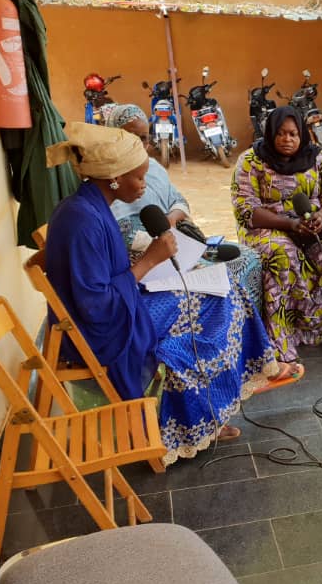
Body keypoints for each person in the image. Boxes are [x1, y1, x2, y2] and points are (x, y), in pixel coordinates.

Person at [45, 122, 295, 465]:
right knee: (212, 309)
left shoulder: (90, 205)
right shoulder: (82, 221)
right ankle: (200, 415)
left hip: (120, 306)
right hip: (105, 330)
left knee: (225, 291)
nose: (144, 186)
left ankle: (227, 391)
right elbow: (96, 305)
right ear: (113, 177)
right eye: (139, 178)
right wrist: (149, 261)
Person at [232, 106, 322, 368]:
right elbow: (246, 211)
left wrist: (321, 216)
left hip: (311, 222)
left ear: (302, 135)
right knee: (283, 255)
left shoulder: (317, 158)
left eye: (292, 134)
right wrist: (289, 224)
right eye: (280, 133)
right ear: (270, 134)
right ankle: (283, 341)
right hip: (268, 227)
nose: (287, 139)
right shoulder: (250, 161)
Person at [102, 104, 265, 322]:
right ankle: (219, 337)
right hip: (151, 257)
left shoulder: (154, 168)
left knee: (249, 258)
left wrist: (170, 220)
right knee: (226, 275)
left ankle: (247, 336)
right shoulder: (108, 178)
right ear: (114, 136)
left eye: (143, 137)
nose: (139, 144)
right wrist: (160, 244)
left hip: (178, 240)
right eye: (130, 137)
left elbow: (178, 201)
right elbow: (121, 237)